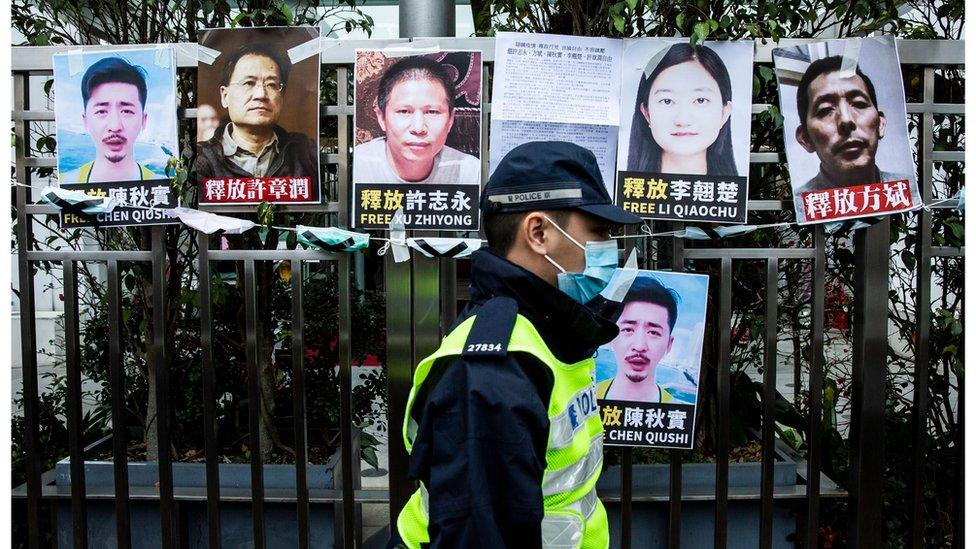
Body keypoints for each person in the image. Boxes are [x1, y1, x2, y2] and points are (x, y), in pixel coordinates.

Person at [389, 141, 642, 549]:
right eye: (598, 232)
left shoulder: (549, 331)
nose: (608, 248)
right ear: (539, 232)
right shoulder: (492, 371)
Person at [194, 43, 318, 182]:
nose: (260, 94)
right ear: (225, 96)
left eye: (271, 84)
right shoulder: (201, 158)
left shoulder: (306, 152)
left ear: (282, 97)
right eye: (248, 83)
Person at [793, 55, 910, 195]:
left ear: (880, 124)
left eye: (859, 104)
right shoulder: (800, 206)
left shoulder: (910, 191)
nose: (846, 120)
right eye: (825, 110)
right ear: (805, 138)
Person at [355, 56, 480, 184]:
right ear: (382, 118)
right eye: (404, 111)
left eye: (432, 112)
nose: (418, 128)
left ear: (450, 120)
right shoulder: (358, 164)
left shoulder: (469, 172)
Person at [626, 43, 737, 177]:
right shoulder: (631, 190)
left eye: (700, 100)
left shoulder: (730, 193)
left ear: (724, 112)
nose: (683, 120)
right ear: (646, 113)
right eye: (667, 101)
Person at [60, 57, 158, 183]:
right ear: (85, 120)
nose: (115, 126)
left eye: (126, 111)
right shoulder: (67, 185)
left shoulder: (161, 187)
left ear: (143, 120)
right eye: (101, 111)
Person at [595, 276, 679, 403]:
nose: (639, 346)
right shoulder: (587, 402)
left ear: (669, 344)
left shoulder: (677, 411)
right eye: (628, 329)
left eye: (653, 332)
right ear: (611, 335)